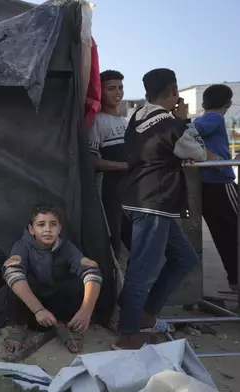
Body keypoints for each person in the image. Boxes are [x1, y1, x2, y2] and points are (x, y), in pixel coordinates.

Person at [116, 68, 208, 349]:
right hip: (154, 205)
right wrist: (184, 122)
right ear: (173, 92)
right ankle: (128, 334)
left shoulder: (137, 117)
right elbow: (199, 152)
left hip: (140, 201)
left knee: (185, 258)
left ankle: (145, 315)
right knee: (142, 270)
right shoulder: (171, 124)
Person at [2, 203, 102, 356]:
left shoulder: (66, 247)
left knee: (76, 283)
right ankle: (20, 326)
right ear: (31, 229)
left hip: (55, 297)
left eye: (53, 224)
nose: (47, 229)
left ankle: (63, 324)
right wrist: (38, 309)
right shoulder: (22, 246)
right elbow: (12, 271)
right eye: (41, 224)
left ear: (60, 228)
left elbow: (91, 270)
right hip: (32, 300)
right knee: (17, 282)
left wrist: (86, 310)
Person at [194, 84, 238, 292]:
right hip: (221, 184)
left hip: (205, 186)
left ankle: (234, 280)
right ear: (227, 104)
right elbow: (193, 133)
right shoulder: (215, 118)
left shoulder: (199, 119)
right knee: (234, 233)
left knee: (222, 235)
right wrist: (211, 156)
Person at [88, 70, 132, 257]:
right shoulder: (95, 122)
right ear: (100, 91)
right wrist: (125, 167)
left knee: (138, 247)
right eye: (111, 88)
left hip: (130, 195)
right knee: (111, 247)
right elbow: (92, 161)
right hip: (108, 194)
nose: (118, 93)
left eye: (120, 88)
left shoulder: (127, 121)